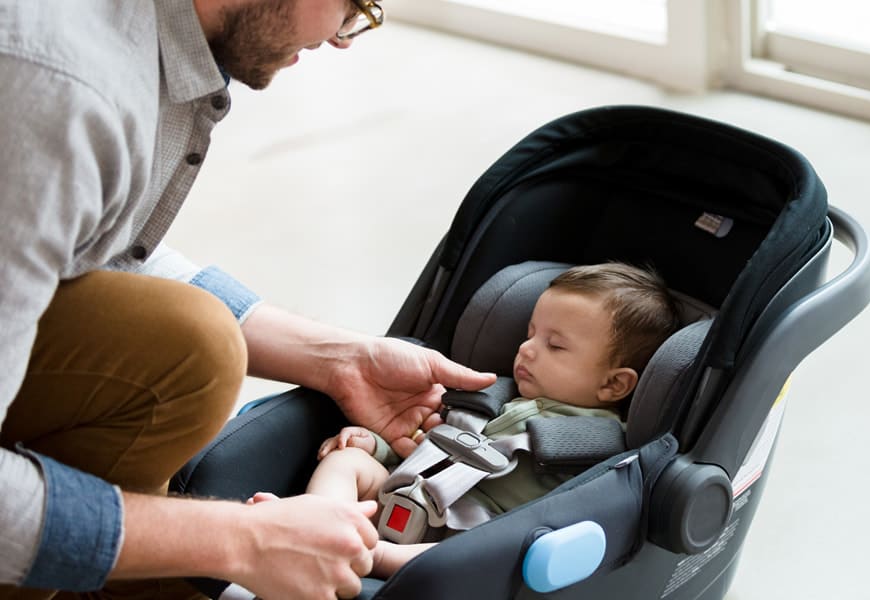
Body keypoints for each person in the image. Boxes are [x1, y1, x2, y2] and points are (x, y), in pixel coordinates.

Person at [0, 1, 497, 599]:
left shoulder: (132, 46)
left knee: (187, 342)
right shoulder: (59, 92)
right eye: (352, 3)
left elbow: (99, 247)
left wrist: (338, 358)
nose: (344, 38)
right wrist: (239, 539)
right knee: (193, 351)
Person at [302, 262, 682, 577]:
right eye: (530, 333)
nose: (526, 349)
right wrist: (375, 446)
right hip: (410, 491)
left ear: (614, 384)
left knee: (476, 552)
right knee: (347, 462)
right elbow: (423, 446)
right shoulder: (490, 398)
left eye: (555, 345)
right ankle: (319, 525)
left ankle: (371, 558)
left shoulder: (596, 444)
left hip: (472, 535)